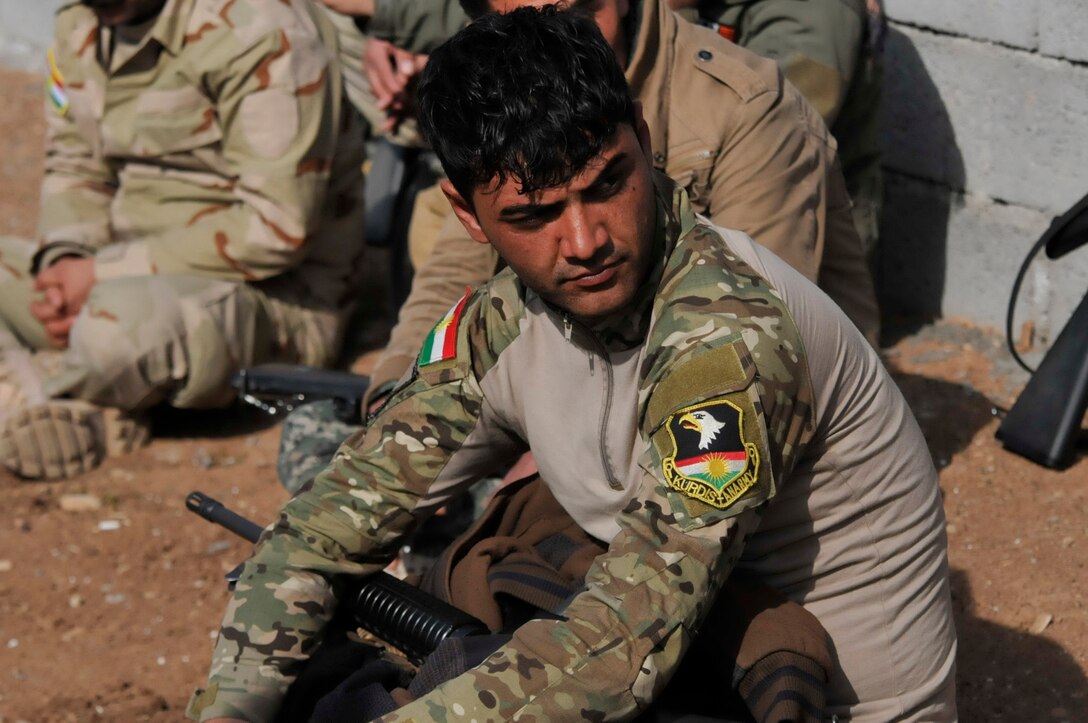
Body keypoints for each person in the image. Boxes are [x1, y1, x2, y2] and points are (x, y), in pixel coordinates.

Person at [192, 7, 956, 721]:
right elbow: (328, 524)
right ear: (469, 216)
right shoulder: (503, 318)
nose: (586, 240)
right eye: (534, 216)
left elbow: (624, 646)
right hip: (691, 645)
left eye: (608, 185)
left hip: (808, 695)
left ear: (646, 143)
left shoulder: (724, 336)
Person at [273, 0, 880, 492]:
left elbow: (753, 339)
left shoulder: (741, 103)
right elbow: (455, 271)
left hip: (729, 406)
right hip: (589, 371)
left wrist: (539, 479)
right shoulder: (510, 82)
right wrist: (399, 398)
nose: (585, 241)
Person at [0, 0, 366, 480]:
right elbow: (75, 164)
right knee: (90, 314)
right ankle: (54, 402)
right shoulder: (81, 18)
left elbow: (275, 228)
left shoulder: (260, 28)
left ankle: (41, 399)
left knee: (109, 330)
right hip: (115, 272)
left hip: (272, 298)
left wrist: (98, 276)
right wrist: (67, 262)